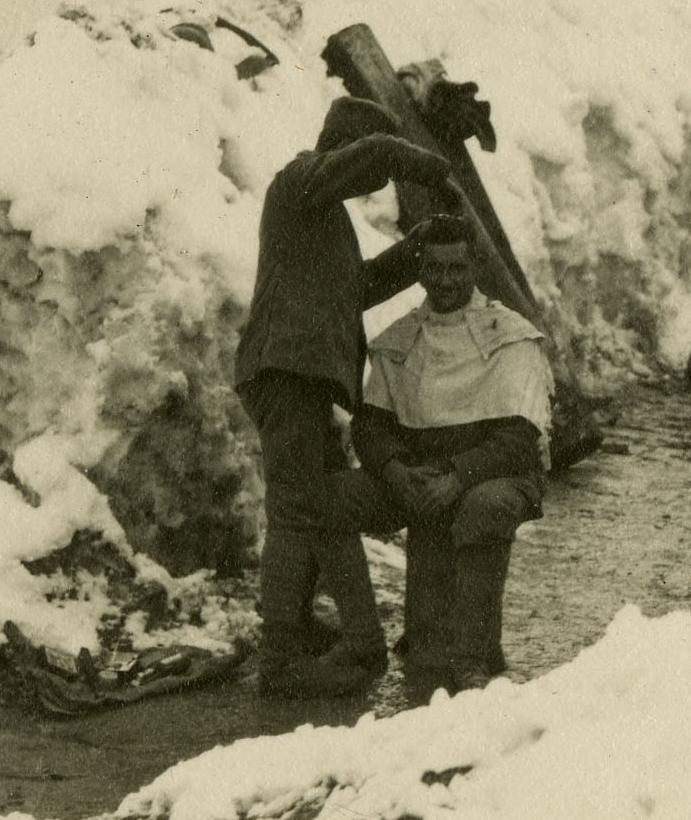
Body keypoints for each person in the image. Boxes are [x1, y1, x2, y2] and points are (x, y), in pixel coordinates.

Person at [235, 96, 457, 698]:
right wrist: (429, 167)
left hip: (303, 375)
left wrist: (421, 244)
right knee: (297, 509)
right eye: (372, 175)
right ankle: (288, 654)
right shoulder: (298, 182)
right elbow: (381, 152)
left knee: (313, 503)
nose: (376, 185)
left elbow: (355, 290)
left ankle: (304, 632)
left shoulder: (324, 218)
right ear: (346, 148)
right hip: (286, 371)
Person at [342, 216, 552, 696]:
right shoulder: (401, 338)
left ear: (474, 266)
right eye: (434, 268)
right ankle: (360, 642)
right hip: (418, 477)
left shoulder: (510, 334)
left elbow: (520, 436)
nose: (445, 280)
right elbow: (369, 425)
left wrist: (458, 476)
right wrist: (395, 471)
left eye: (456, 268)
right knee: (337, 497)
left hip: (494, 476)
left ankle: (474, 656)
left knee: (483, 507)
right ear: (420, 271)